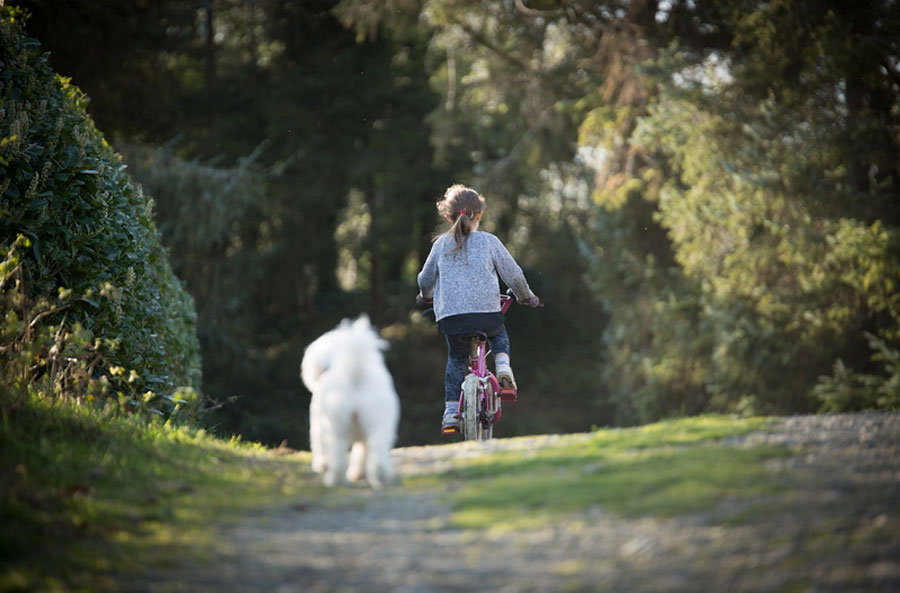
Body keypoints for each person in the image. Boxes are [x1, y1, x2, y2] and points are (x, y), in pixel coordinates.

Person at [417, 184, 539, 434]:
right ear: (480, 214)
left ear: (448, 216)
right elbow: (514, 275)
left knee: (457, 358)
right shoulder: (489, 242)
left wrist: (425, 296)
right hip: (487, 314)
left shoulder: (440, 245)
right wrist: (525, 296)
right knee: (498, 334)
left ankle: (451, 413)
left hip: (451, 318)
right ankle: (503, 367)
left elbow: (425, 278)